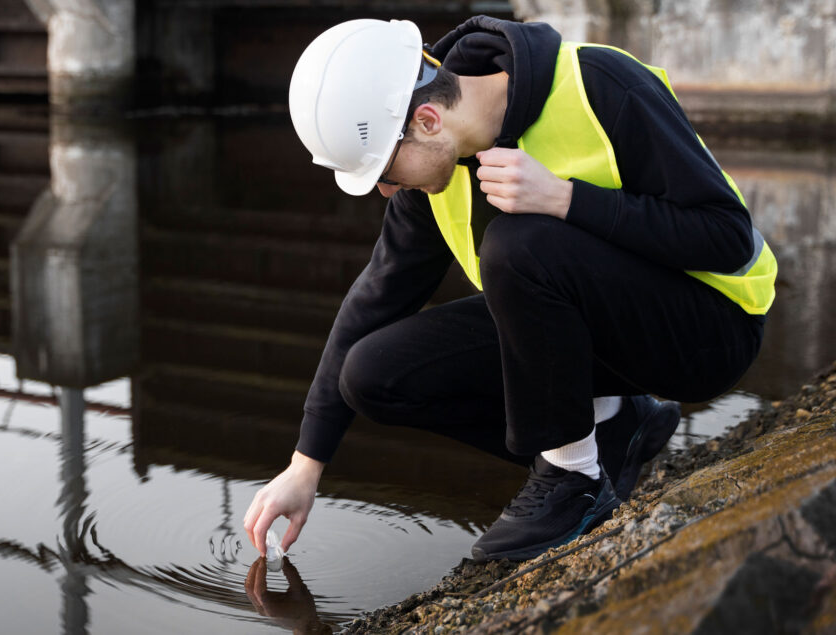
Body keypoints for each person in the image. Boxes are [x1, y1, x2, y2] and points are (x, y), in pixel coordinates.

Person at [243, 15, 775, 562]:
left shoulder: (601, 84)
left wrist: (568, 199)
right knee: (374, 373)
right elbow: (376, 296)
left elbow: (727, 236)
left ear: (427, 120)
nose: (384, 189)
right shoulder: (436, 167)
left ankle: (573, 482)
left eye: (384, 169)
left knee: (517, 245)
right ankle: (615, 428)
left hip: (710, 331)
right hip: (610, 342)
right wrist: (305, 464)